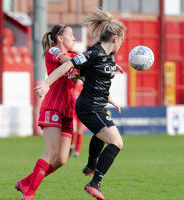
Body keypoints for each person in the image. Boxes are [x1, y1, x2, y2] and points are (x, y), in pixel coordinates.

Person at [34, 8, 125, 200]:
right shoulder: (94, 53)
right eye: (122, 40)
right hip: (88, 106)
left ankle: (91, 166)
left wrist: (111, 99)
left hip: (98, 105)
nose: (123, 44)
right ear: (116, 38)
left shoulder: (110, 57)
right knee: (116, 142)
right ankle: (94, 183)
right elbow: (68, 64)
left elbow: (95, 80)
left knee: (101, 136)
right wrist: (46, 84)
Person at [15, 24, 78, 200]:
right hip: (53, 107)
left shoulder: (74, 56)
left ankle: (25, 182)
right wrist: (81, 61)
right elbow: (69, 62)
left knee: (61, 160)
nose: (74, 38)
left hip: (67, 110)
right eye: (71, 35)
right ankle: (29, 194)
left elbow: (82, 67)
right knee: (50, 153)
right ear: (59, 38)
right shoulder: (54, 52)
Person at [70, 79, 85, 157]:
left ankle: (77, 151)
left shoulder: (84, 86)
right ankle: (71, 145)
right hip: (73, 111)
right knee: (73, 129)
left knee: (80, 132)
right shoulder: (71, 84)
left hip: (82, 111)